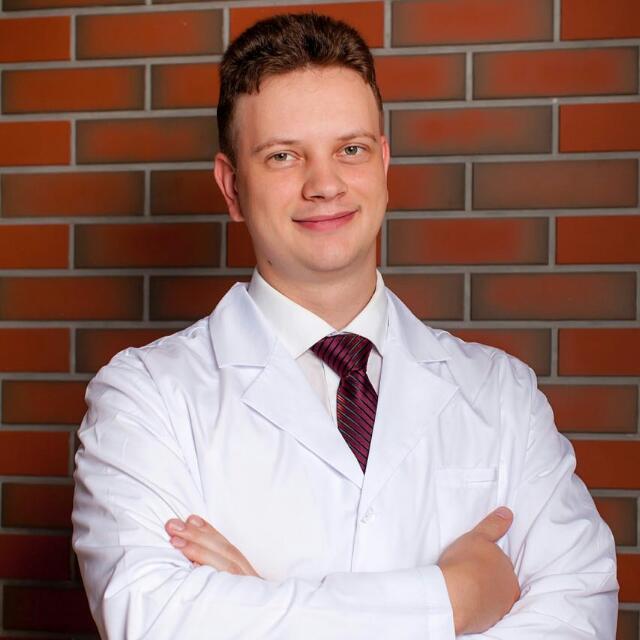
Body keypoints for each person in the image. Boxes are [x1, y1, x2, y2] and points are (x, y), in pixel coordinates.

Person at [71, 13, 618, 639]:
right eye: (283, 156)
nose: (325, 185)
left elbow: (580, 610)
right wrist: (449, 600)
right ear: (232, 187)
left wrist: (258, 605)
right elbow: (154, 619)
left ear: (383, 162)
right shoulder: (144, 397)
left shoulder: (502, 395)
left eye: (350, 150)